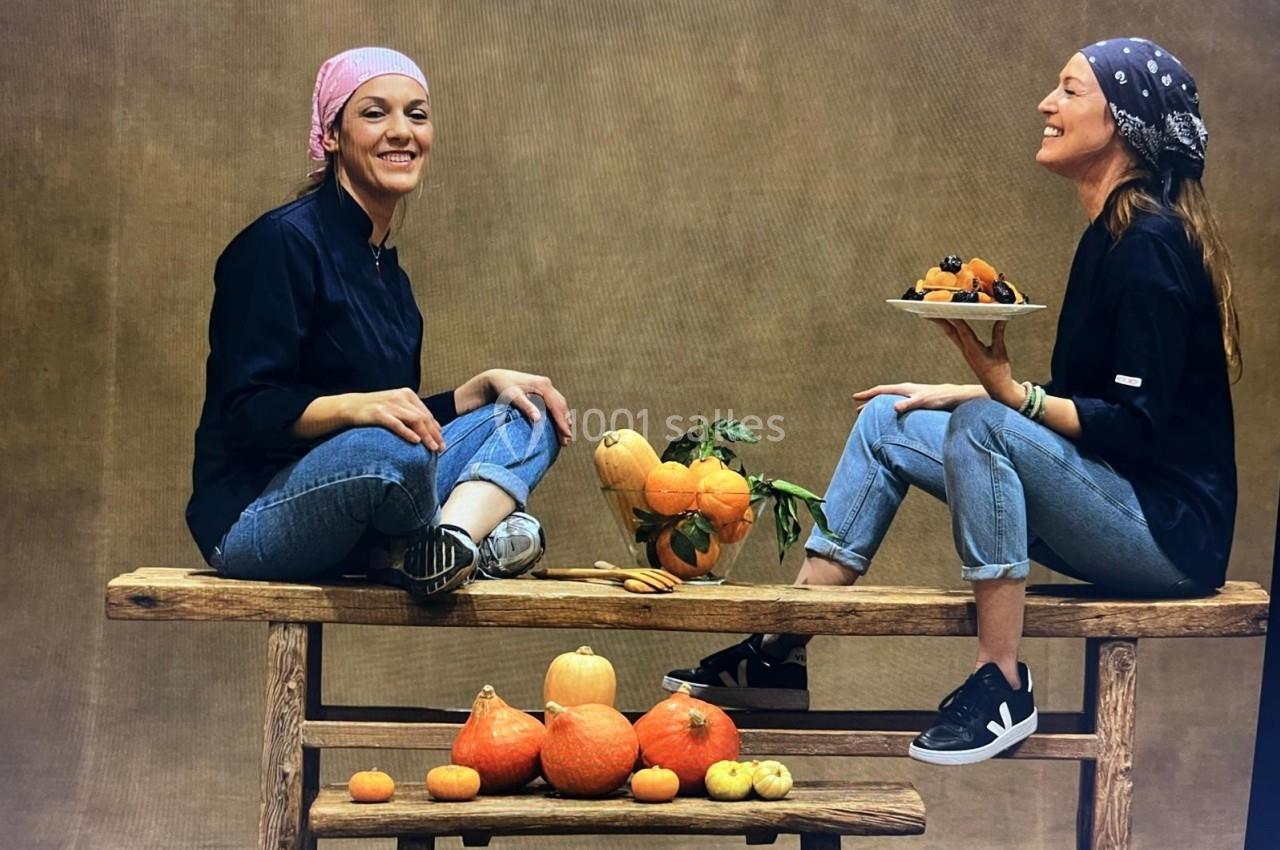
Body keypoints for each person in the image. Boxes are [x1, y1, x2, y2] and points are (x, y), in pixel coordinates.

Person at [663, 37, 1240, 766]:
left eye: (1069, 90)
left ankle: (1000, 681)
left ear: (1122, 121)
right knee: (890, 419)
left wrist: (1002, 399)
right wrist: (972, 388)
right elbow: (1087, 401)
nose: (1046, 104)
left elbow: (1135, 429)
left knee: (984, 426)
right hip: (1114, 501)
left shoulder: (1148, 244)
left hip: (1168, 539)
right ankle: (778, 657)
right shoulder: (1113, 233)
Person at [186, 47, 572, 600]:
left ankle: (445, 545)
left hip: (367, 486)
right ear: (332, 135)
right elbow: (246, 411)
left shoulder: (389, 276)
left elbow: (397, 411)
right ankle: (457, 540)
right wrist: (358, 408)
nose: (401, 131)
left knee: (527, 411)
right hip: (254, 516)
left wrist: (469, 395)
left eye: (417, 114)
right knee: (393, 451)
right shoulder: (278, 245)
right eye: (374, 113)